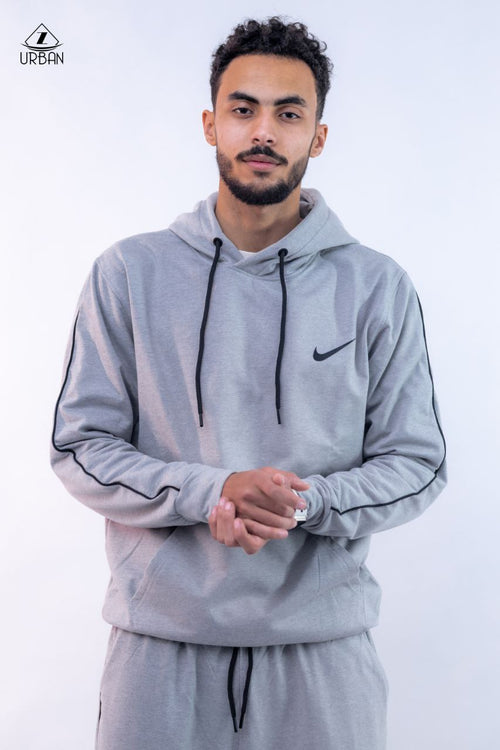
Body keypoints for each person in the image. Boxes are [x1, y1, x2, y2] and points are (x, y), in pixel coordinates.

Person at [51, 17, 447, 750]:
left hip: (322, 655)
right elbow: (80, 446)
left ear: (317, 137)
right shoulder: (129, 274)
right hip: (158, 650)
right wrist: (214, 491)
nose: (263, 131)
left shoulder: (376, 286)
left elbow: (418, 460)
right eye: (243, 109)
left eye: (288, 113)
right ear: (211, 124)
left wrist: (303, 502)